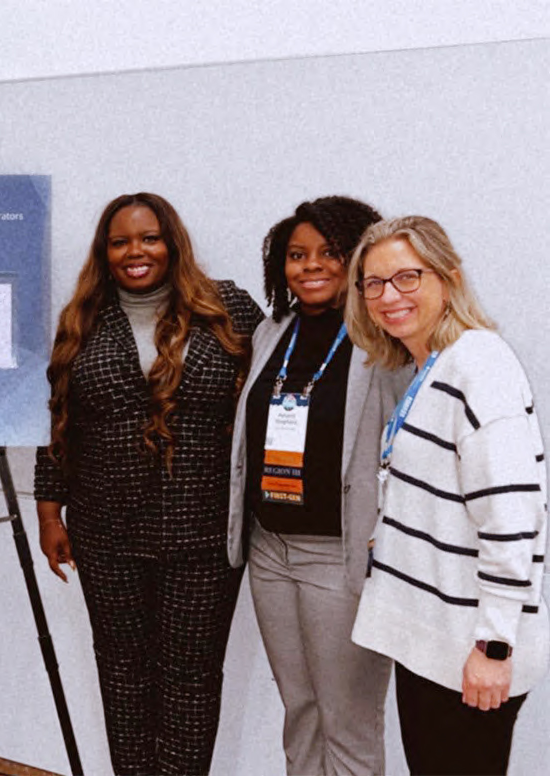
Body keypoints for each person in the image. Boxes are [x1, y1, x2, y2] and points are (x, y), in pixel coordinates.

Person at [34, 192, 262, 774]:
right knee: (122, 676)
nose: (135, 252)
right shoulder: (82, 318)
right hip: (105, 533)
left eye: (148, 237)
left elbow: (275, 392)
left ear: (172, 242)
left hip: (204, 537)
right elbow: (58, 419)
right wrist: (48, 512)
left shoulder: (228, 306)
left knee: (191, 681)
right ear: (104, 252)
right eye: (120, 241)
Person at [345, 216, 548, 775]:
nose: (389, 297)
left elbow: (511, 516)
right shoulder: (431, 367)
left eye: (408, 277)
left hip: (470, 652)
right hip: (434, 646)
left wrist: (494, 648)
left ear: (448, 279)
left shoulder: (479, 364)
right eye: (374, 283)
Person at [227, 196, 398, 775]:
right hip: (270, 549)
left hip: (340, 557)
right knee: (300, 709)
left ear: (359, 257)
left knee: (346, 720)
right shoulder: (273, 334)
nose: (311, 266)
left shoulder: (384, 343)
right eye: (297, 255)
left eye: (330, 252)